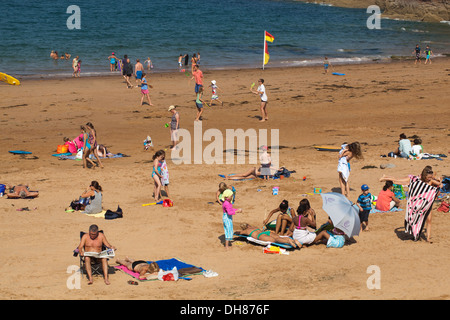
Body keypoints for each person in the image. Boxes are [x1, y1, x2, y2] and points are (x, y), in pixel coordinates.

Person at [380, 166, 442, 242]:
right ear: (425, 176)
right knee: (397, 181)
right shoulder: (417, 180)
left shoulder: (431, 181)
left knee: (428, 220)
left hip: (426, 204)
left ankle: (428, 238)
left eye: (431, 177)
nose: (430, 178)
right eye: (428, 177)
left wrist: (438, 182)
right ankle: (385, 177)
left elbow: (440, 186)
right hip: (417, 204)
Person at [236, 223, 301, 248]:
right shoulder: (254, 226)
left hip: (260, 236)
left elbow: (240, 233)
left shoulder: (247, 230)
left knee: (275, 240)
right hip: (266, 232)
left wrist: (236, 232)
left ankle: (288, 242)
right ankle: (292, 240)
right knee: (277, 237)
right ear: (248, 225)